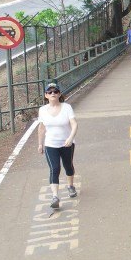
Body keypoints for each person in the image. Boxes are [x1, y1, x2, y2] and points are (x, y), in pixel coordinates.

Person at [37, 82, 78, 211]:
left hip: (67, 143)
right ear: (46, 95)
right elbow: (41, 128)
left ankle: (70, 186)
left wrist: (70, 138)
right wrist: (40, 144)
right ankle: (55, 197)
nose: (53, 94)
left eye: (55, 91)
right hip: (51, 144)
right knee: (54, 168)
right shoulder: (43, 110)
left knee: (68, 166)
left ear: (59, 94)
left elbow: (74, 124)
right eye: (50, 92)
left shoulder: (67, 107)